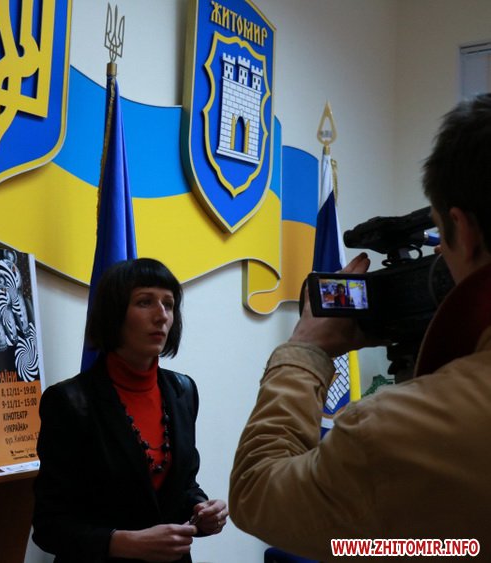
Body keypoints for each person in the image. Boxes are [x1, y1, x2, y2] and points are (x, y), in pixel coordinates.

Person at [228, 93, 491, 560]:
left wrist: (304, 351)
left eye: (440, 239)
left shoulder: (397, 431)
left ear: (464, 231)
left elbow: (256, 491)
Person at [33, 258, 227, 562]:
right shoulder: (69, 401)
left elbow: (182, 485)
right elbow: (49, 525)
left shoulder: (183, 390)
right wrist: (122, 543)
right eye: (145, 302)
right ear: (114, 313)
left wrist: (201, 509)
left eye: (169, 304)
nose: (161, 316)